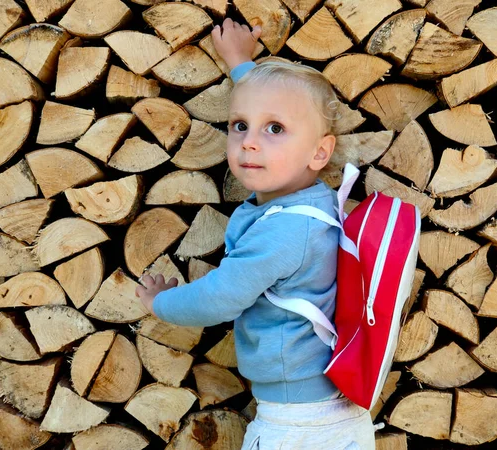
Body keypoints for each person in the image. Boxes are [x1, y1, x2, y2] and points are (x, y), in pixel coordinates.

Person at [135, 18, 376, 450]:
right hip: (323, 409)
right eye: (239, 125)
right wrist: (240, 63)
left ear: (320, 152)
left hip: (300, 425)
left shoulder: (284, 231)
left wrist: (161, 304)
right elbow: (269, 103)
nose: (248, 142)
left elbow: (219, 297)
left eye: (274, 130)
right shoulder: (308, 202)